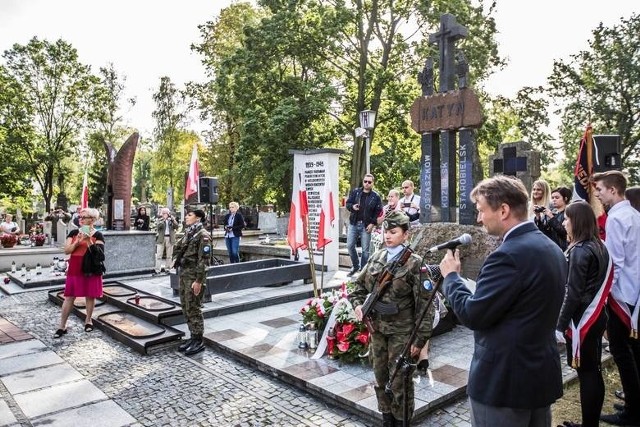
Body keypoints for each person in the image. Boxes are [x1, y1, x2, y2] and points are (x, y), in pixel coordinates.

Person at [439, 175, 567, 427]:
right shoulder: (551, 247)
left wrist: (451, 278)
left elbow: (473, 315)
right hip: (538, 376)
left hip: (504, 383)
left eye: (481, 210)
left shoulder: (507, 256)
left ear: (504, 210)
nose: (478, 218)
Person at [349, 211, 435, 426]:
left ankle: (401, 421)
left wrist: (419, 340)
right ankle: (387, 418)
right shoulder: (377, 257)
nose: (388, 236)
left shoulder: (415, 264)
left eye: (393, 232)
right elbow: (357, 287)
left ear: (405, 235)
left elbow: (426, 305)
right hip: (378, 330)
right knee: (380, 377)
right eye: (385, 231)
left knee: (400, 381)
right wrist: (358, 305)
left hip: (402, 332)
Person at [556, 201, 613, 427]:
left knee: (588, 373)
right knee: (592, 371)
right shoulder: (599, 245)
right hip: (596, 317)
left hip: (583, 321)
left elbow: (573, 293)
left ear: (577, 222)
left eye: (567, 219)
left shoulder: (580, 251)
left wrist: (559, 326)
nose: (563, 222)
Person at [593, 170, 640, 426]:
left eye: (599, 189)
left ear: (613, 190)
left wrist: (603, 293)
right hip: (634, 292)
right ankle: (635, 402)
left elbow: (615, 263)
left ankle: (632, 413)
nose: (597, 194)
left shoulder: (616, 217)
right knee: (633, 352)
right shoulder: (633, 213)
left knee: (622, 353)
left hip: (621, 294)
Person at [53, 208, 105, 338]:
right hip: (75, 267)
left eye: (83, 217)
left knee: (90, 295)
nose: (80, 219)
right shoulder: (74, 232)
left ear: (92, 219)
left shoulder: (98, 235)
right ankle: (62, 325)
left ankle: (88, 320)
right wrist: (77, 241)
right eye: (79, 217)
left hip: (90, 268)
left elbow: (99, 255)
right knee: (69, 296)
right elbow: (67, 250)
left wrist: (88, 241)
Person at [172, 209, 211, 356]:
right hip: (184, 275)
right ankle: (193, 337)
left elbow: (204, 261)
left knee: (194, 308)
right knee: (186, 307)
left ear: (198, 218)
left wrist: (199, 281)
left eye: (189, 215)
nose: (186, 217)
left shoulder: (203, 236)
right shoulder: (190, 233)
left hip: (194, 277)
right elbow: (178, 248)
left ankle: (199, 341)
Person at [345, 174, 383, 275]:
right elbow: (347, 204)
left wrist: (372, 224)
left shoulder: (376, 196)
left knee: (365, 250)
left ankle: (363, 271)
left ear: (373, 183)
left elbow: (378, 212)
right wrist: (352, 207)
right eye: (365, 181)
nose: (367, 183)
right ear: (363, 182)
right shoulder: (356, 192)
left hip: (366, 225)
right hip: (353, 223)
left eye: (369, 182)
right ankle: (356, 266)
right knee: (349, 246)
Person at [535, 186, 571, 251]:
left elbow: (564, 232)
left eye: (557, 198)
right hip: (550, 248)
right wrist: (538, 217)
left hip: (562, 249)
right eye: (552, 198)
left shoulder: (569, 214)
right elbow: (543, 232)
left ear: (565, 198)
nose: (554, 200)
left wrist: (551, 217)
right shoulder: (551, 213)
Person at [371, 189, 401, 254]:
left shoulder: (401, 208)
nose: (390, 198)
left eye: (392, 197)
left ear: (397, 197)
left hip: (397, 238)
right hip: (385, 238)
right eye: (389, 196)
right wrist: (384, 216)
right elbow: (378, 222)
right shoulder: (385, 208)